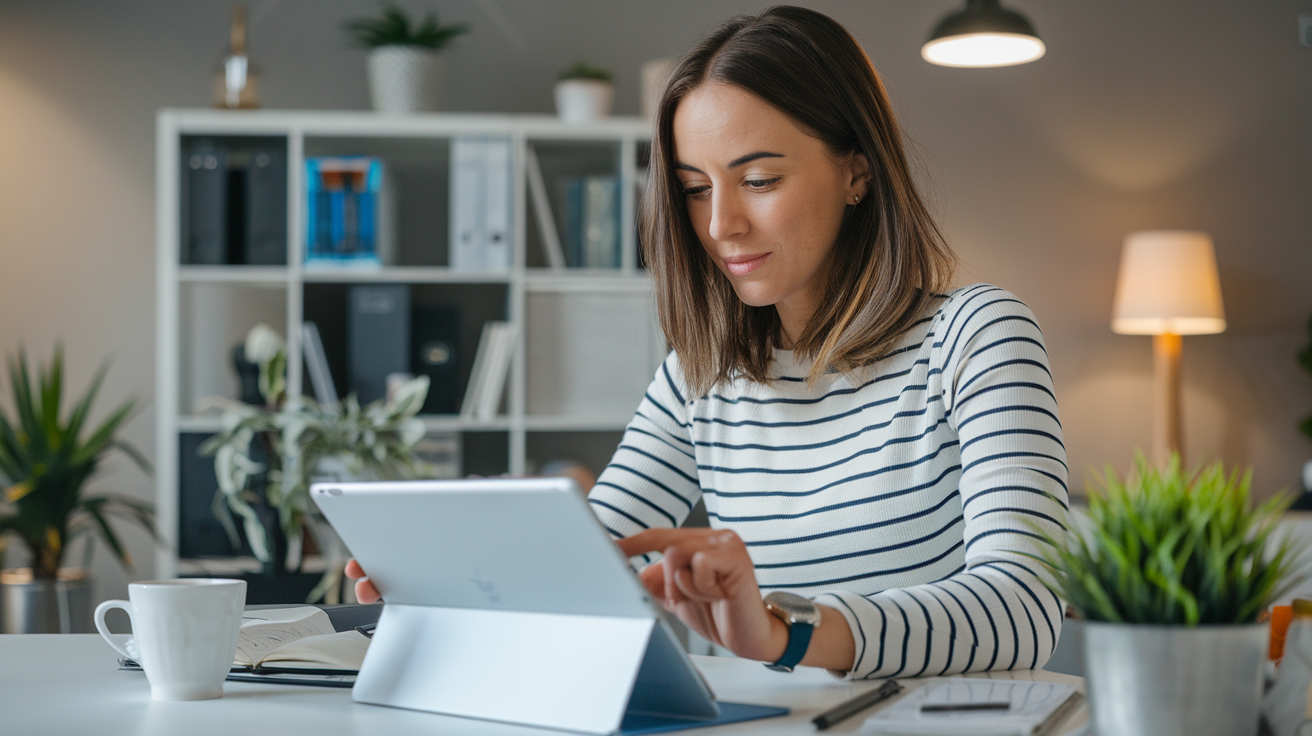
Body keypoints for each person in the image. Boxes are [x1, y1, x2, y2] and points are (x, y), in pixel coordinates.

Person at [349, 5, 1068, 680]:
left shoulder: (974, 335)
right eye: (695, 188)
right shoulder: (702, 379)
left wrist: (787, 631)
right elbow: (589, 565)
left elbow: (1025, 607)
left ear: (857, 170)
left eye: (758, 179)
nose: (721, 224)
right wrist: (448, 589)